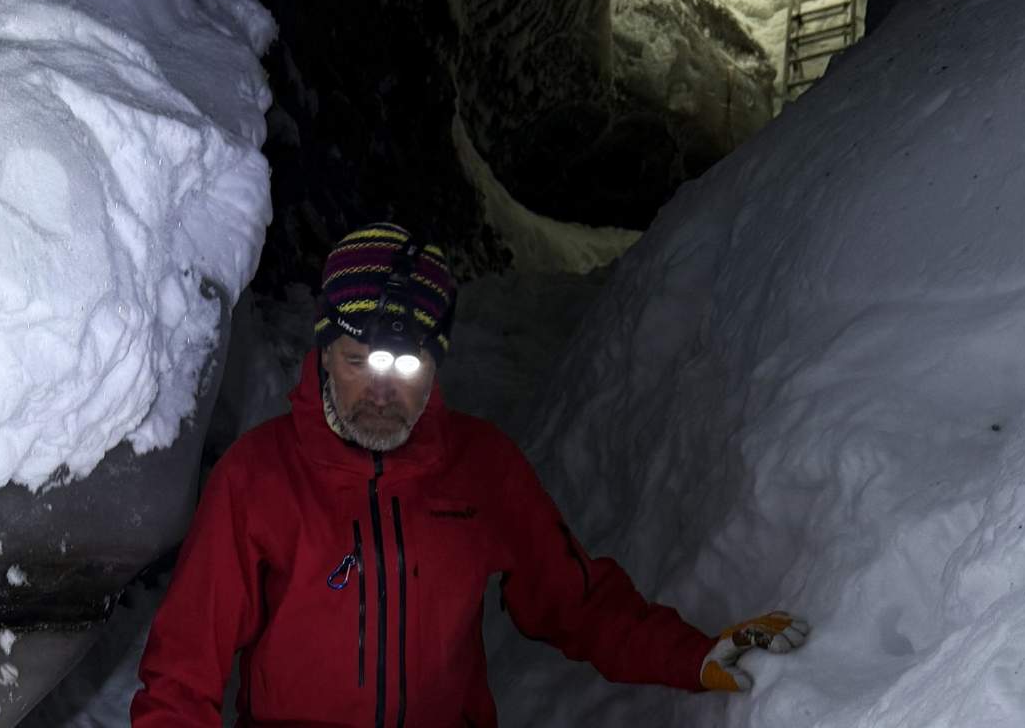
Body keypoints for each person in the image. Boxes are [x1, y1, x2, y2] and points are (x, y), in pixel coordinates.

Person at [132, 221, 808, 726]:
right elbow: (180, 677)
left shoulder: (480, 471)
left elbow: (573, 601)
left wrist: (689, 654)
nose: (380, 389)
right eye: (357, 358)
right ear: (323, 351)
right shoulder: (259, 479)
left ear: (437, 364)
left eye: (405, 365)